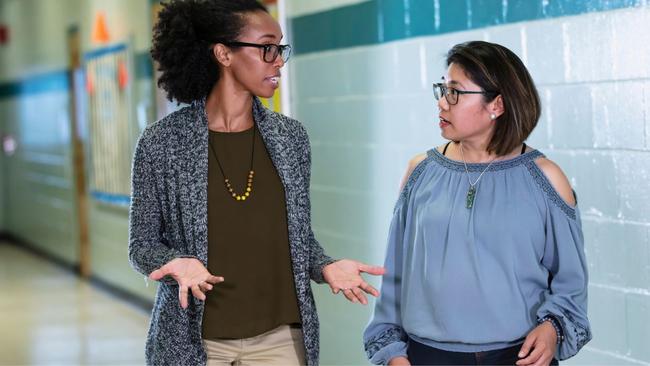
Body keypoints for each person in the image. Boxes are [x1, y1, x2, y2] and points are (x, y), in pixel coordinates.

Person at [128, 1, 384, 365]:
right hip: (194, 343)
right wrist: (175, 263)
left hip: (280, 340)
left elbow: (297, 237)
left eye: (280, 48)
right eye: (267, 48)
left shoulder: (291, 138)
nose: (278, 60)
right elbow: (142, 245)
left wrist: (324, 265)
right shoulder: (162, 143)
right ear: (223, 54)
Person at [363, 41, 591, 366]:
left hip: (519, 357)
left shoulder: (547, 178)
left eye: (455, 92)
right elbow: (395, 275)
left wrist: (553, 328)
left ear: (496, 105)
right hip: (426, 356)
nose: (442, 103)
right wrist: (392, 356)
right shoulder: (420, 171)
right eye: (442, 89)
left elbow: (571, 280)